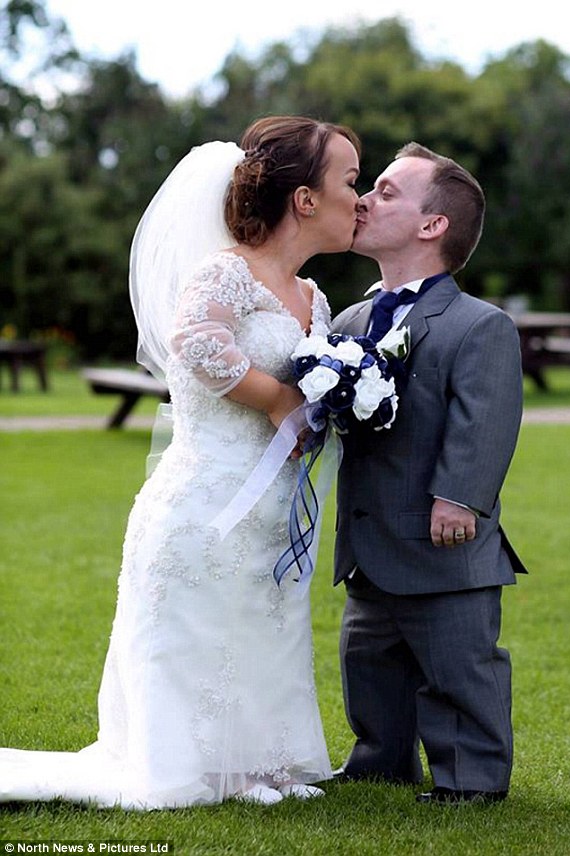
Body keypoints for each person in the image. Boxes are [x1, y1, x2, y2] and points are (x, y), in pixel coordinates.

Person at [0, 116, 360, 809]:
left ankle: (257, 764)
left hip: (274, 508)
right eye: (350, 181)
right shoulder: (225, 271)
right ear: (306, 199)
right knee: (199, 626)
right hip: (206, 498)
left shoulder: (315, 298)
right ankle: (191, 765)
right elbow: (193, 342)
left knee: (262, 623)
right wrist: (277, 398)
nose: (360, 196)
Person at [332, 142, 527, 804]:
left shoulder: (478, 324)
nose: (364, 200)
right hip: (370, 534)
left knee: (456, 659)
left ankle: (470, 776)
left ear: (432, 225)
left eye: (385, 191)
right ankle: (380, 759)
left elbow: (485, 419)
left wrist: (459, 498)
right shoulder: (351, 320)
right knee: (368, 656)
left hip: (442, 536)